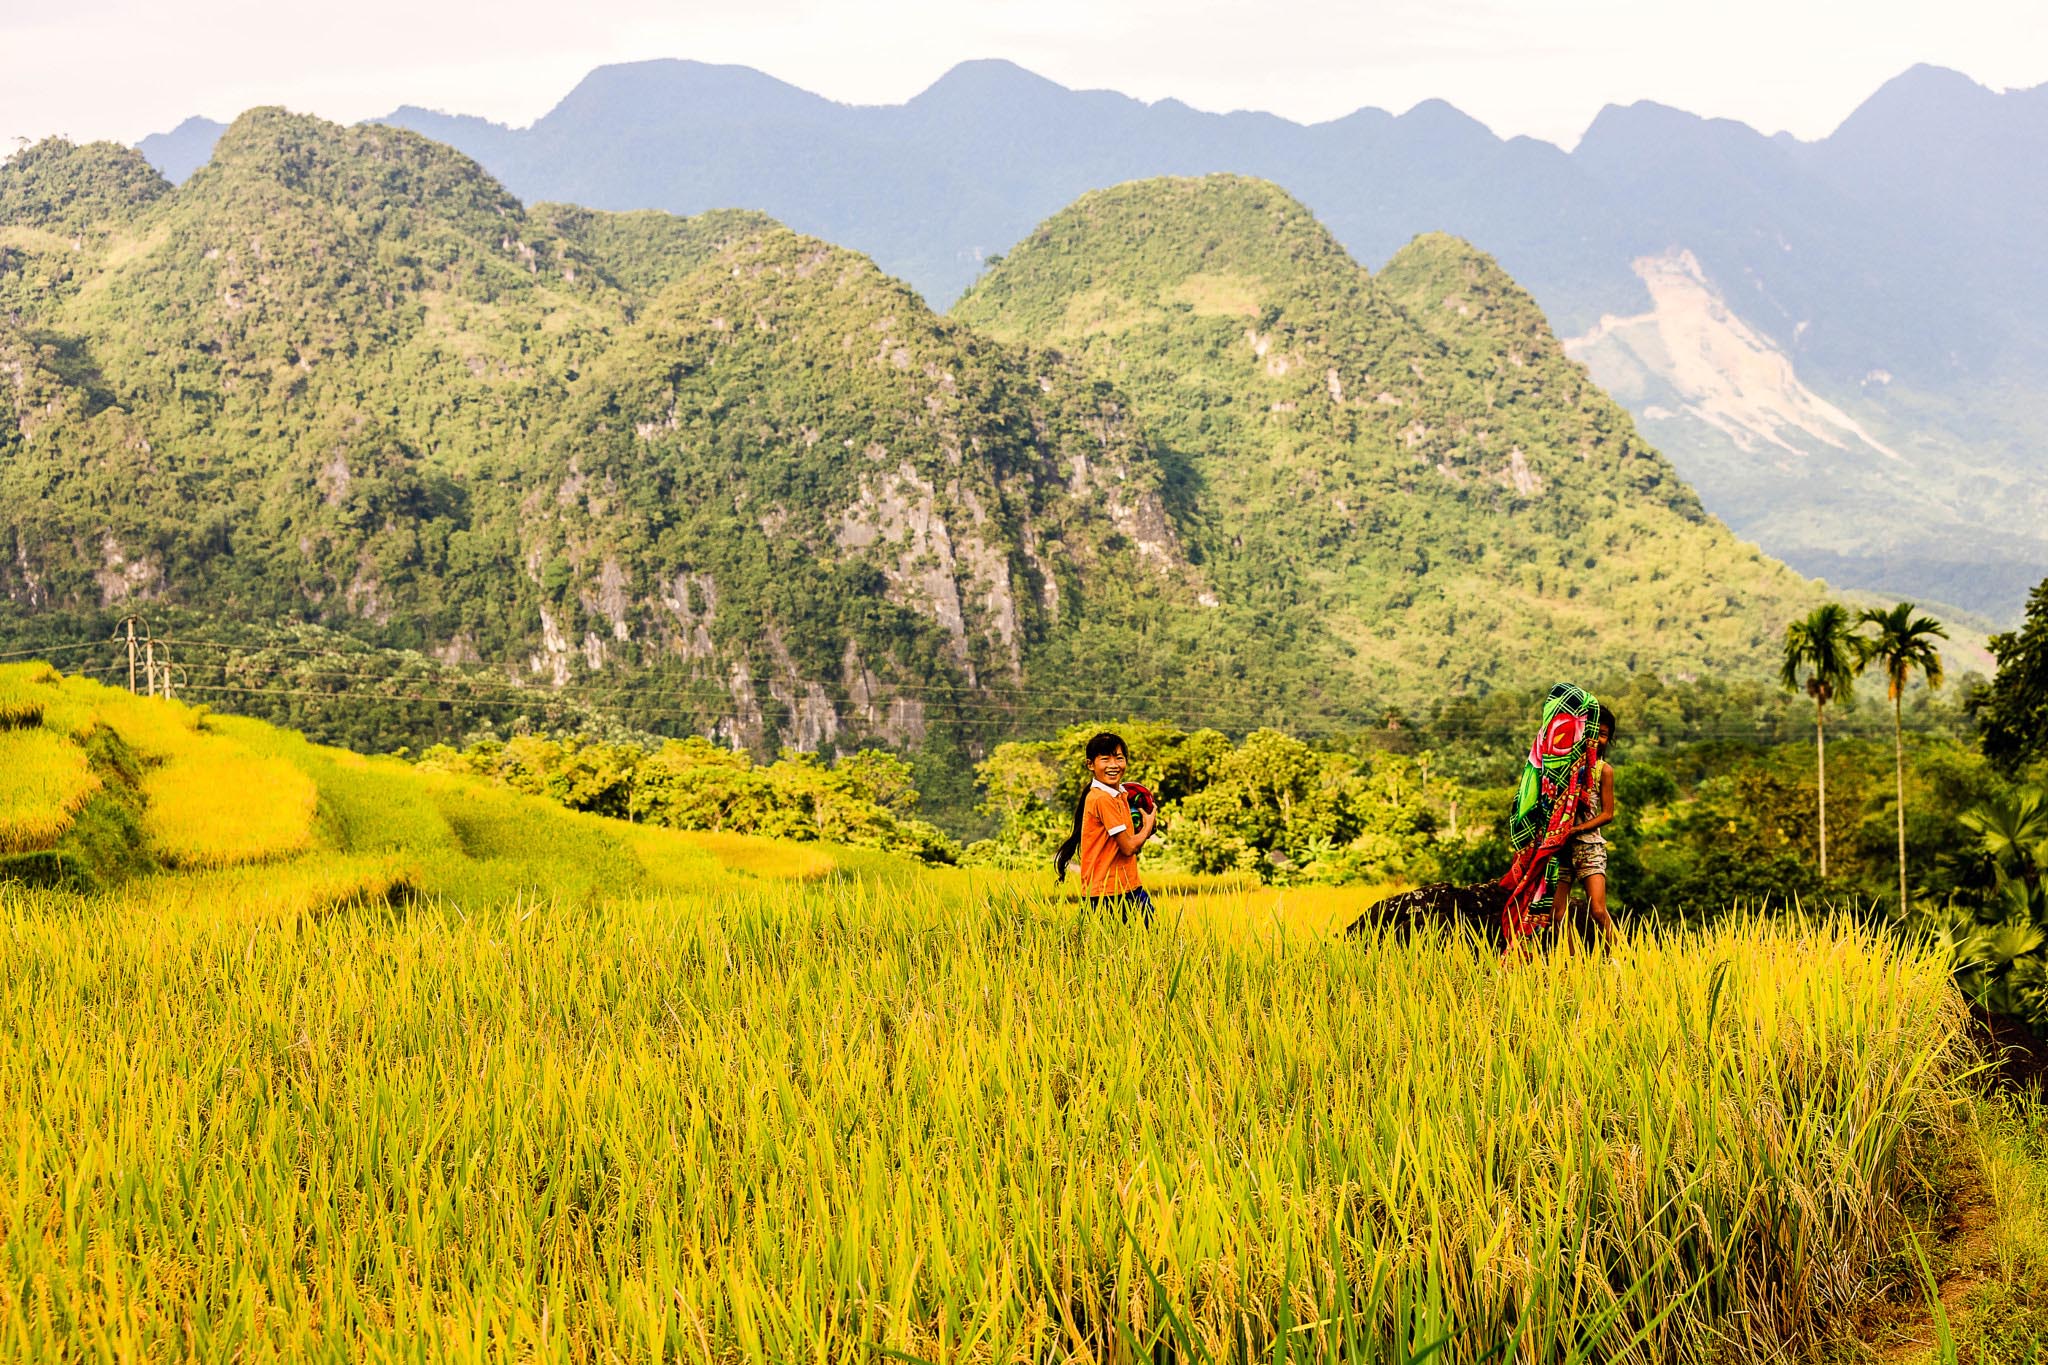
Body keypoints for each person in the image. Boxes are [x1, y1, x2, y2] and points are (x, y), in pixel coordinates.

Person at [1053, 731, 1157, 924]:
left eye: (1119, 758)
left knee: (1148, 946)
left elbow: (1131, 846)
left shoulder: (1119, 795)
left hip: (1129, 887)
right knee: (1110, 951)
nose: (1113, 765)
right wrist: (1149, 824)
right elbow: (1129, 848)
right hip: (1106, 894)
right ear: (1090, 765)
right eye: (1105, 759)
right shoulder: (1102, 798)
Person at [1553, 705, 1619, 947]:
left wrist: (1578, 829)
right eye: (1594, 732)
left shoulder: (1604, 771)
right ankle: (1574, 965)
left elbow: (1607, 814)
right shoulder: (1564, 769)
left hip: (1589, 848)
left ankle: (1627, 959)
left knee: (1598, 911)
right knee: (1558, 914)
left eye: (1603, 734)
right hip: (1561, 849)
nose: (1598, 739)